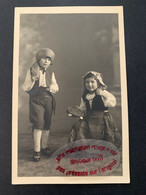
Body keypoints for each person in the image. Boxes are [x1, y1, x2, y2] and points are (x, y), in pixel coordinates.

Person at [23, 48, 59, 162]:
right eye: (44, 58)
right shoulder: (31, 71)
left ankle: (44, 147)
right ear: (39, 59)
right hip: (35, 99)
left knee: (47, 123)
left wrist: (50, 87)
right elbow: (25, 87)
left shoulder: (50, 73)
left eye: (49, 59)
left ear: (51, 62)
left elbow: (56, 87)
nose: (46, 61)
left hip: (48, 99)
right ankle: (37, 150)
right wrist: (33, 80)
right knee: (38, 123)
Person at [68, 71, 121, 148]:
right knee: (78, 127)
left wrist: (102, 97)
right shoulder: (85, 95)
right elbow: (83, 108)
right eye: (87, 82)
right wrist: (76, 112)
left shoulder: (102, 92)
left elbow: (113, 102)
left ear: (98, 83)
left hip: (102, 117)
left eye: (92, 82)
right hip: (89, 118)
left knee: (103, 133)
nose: (90, 84)